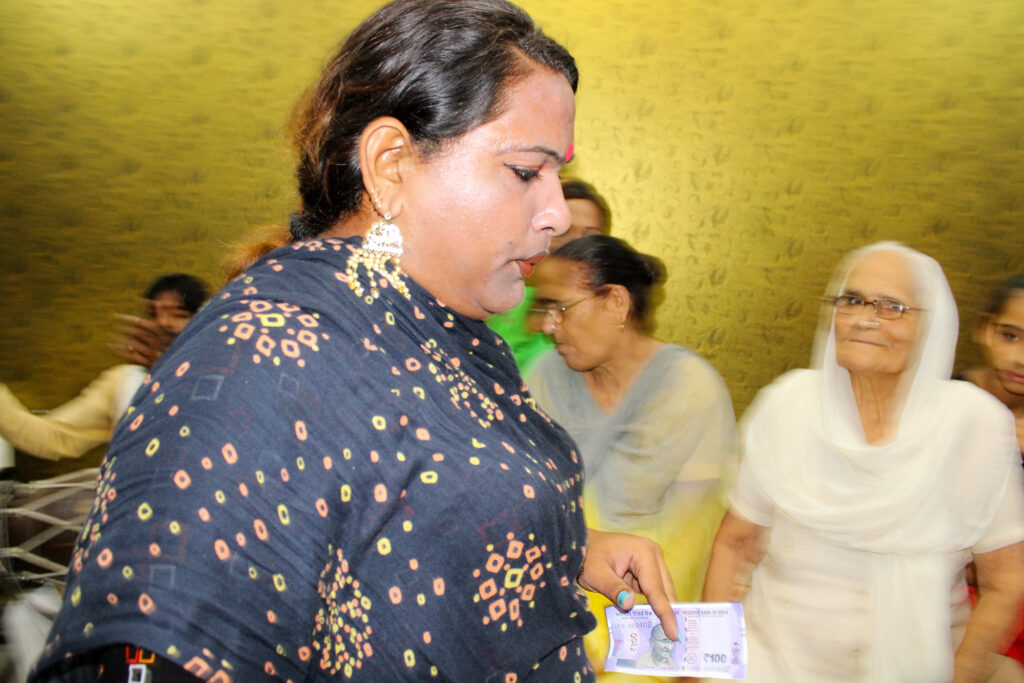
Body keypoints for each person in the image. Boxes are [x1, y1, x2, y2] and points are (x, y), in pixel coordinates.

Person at [31, 2, 677, 681]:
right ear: (391, 164)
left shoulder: (436, 332)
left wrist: (562, 547)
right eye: (525, 171)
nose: (552, 215)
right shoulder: (270, 354)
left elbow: (404, 513)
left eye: (555, 174)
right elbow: (158, 645)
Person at [702, 242, 1024, 682]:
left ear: (933, 327)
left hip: (924, 667)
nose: (865, 318)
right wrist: (710, 663)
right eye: (852, 300)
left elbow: (1005, 583)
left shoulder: (975, 425)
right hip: (773, 660)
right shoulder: (787, 405)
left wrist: (961, 677)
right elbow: (734, 545)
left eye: (893, 306)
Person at [528, 235, 736, 678]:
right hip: (551, 624)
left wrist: (612, 639)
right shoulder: (543, 378)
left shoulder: (689, 388)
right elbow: (524, 509)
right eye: (543, 310)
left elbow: (693, 539)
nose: (548, 326)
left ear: (616, 303)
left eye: (560, 308)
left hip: (647, 633)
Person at [0, 273, 209, 461]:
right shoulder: (124, 382)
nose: (163, 323)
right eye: (153, 314)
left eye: (179, 314)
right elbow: (55, 437)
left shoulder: (226, 375)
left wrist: (172, 376)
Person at [487, 178, 611, 376]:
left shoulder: (606, 318)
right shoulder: (501, 300)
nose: (575, 245)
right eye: (565, 232)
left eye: (589, 236)